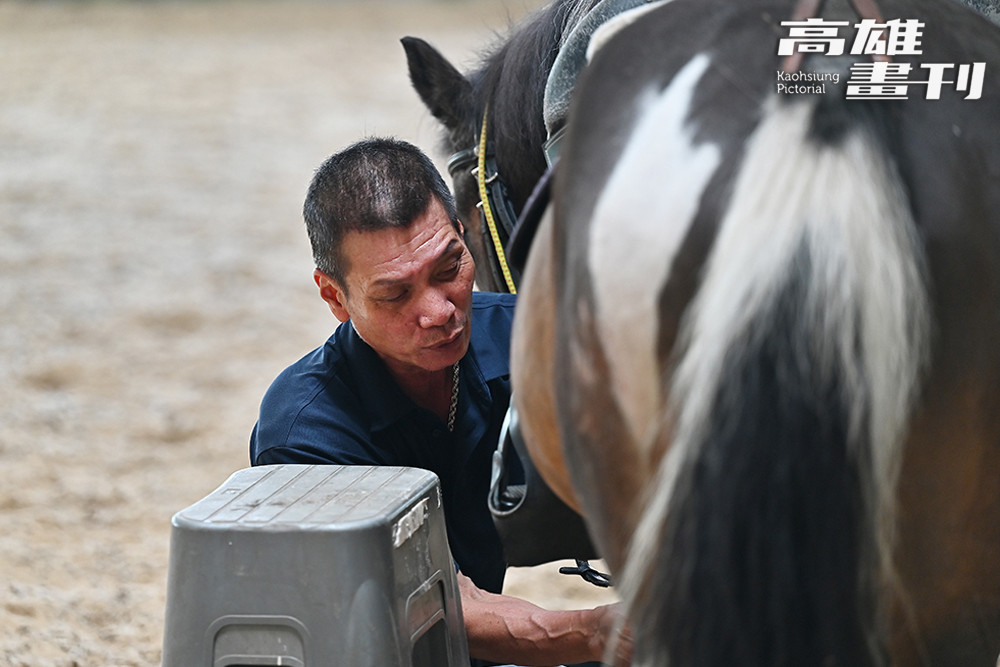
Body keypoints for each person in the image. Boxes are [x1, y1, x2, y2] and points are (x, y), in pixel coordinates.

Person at [250, 137, 630, 667]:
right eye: (395, 294)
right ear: (335, 297)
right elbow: (424, 606)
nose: (438, 311)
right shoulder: (306, 430)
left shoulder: (530, 339)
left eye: (449, 269)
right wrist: (595, 632)